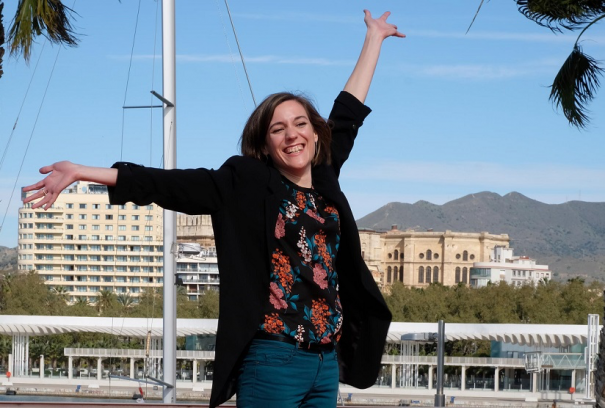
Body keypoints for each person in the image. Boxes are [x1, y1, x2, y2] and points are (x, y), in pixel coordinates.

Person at [23, 10, 404, 408]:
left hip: (325, 362)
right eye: (278, 128)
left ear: (313, 131)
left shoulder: (325, 177)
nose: (292, 134)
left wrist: (373, 38)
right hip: (274, 359)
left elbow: (347, 114)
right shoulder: (248, 182)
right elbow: (168, 184)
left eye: (300, 123)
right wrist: (82, 171)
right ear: (265, 142)